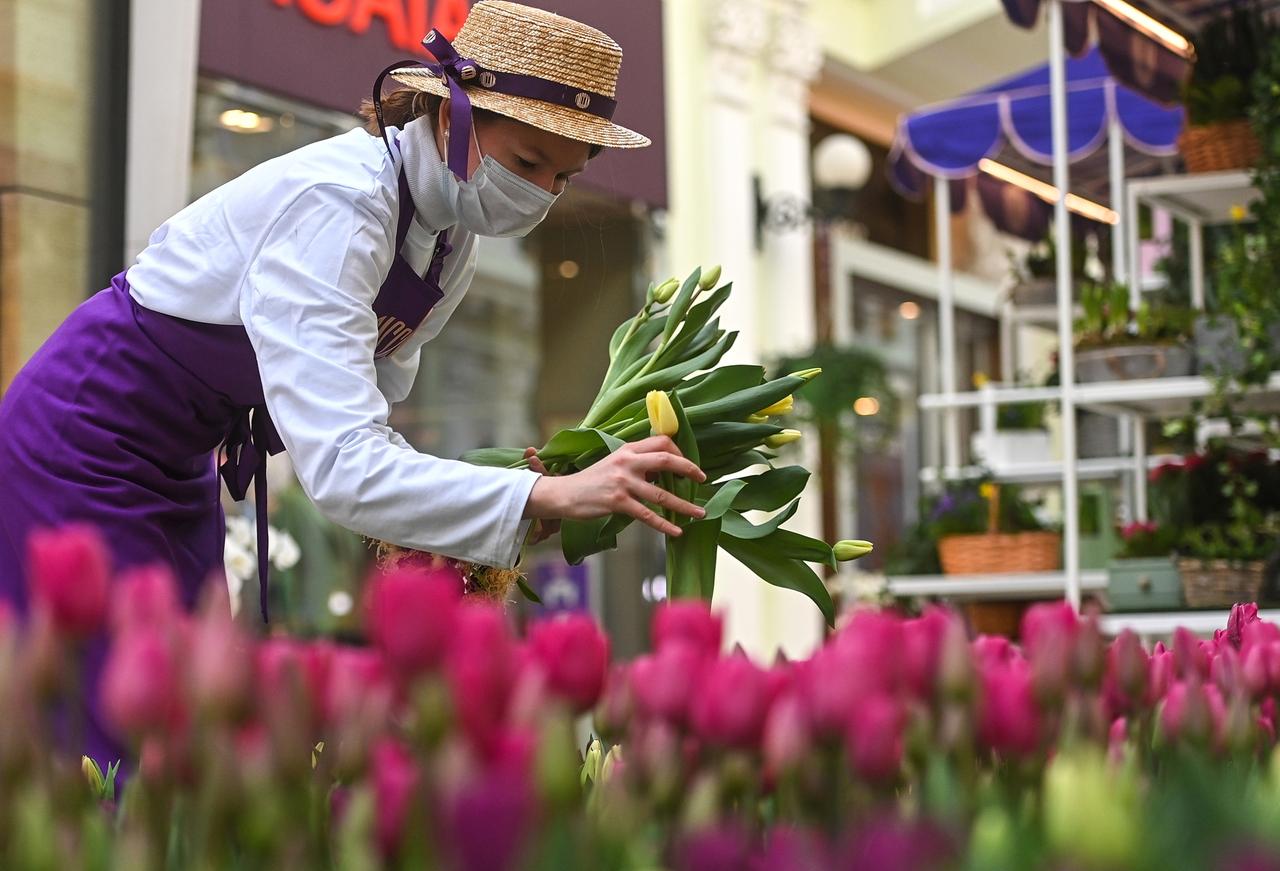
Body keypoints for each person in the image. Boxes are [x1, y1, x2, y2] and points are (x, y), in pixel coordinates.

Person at [0, 0, 705, 766]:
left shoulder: (447, 244)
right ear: (450, 116)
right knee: (118, 736)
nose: (540, 194)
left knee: (188, 726)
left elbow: (370, 426)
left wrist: (496, 500)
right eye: (527, 162)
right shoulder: (341, 208)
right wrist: (540, 498)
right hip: (80, 440)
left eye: (563, 178)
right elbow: (341, 467)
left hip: (179, 459)